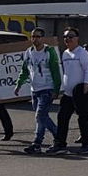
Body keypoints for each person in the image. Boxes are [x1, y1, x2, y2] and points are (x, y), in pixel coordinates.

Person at [15, 26, 61, 154]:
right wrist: (18, 84)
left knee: (40, 115)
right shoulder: (29, 52)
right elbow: (24, 70)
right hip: (34, 89)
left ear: (43, 38)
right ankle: (37, 144)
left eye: (38, 36)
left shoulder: (49, 51)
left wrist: (56, 89)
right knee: (40, 118)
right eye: (33, 36)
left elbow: (55, 71)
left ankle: (58, 136)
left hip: (47, 88)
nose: (35, 39)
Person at [49, 27, 88, 155]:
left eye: (70, 36)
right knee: (62, 117)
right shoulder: (65, 54)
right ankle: (60, 143)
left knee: (83, 118)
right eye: (65, 37)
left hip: (80, 91)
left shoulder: (82, 53)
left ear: (77, 38)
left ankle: (87, 144)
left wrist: (86, 84)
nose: (68, 39)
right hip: (68, 93)